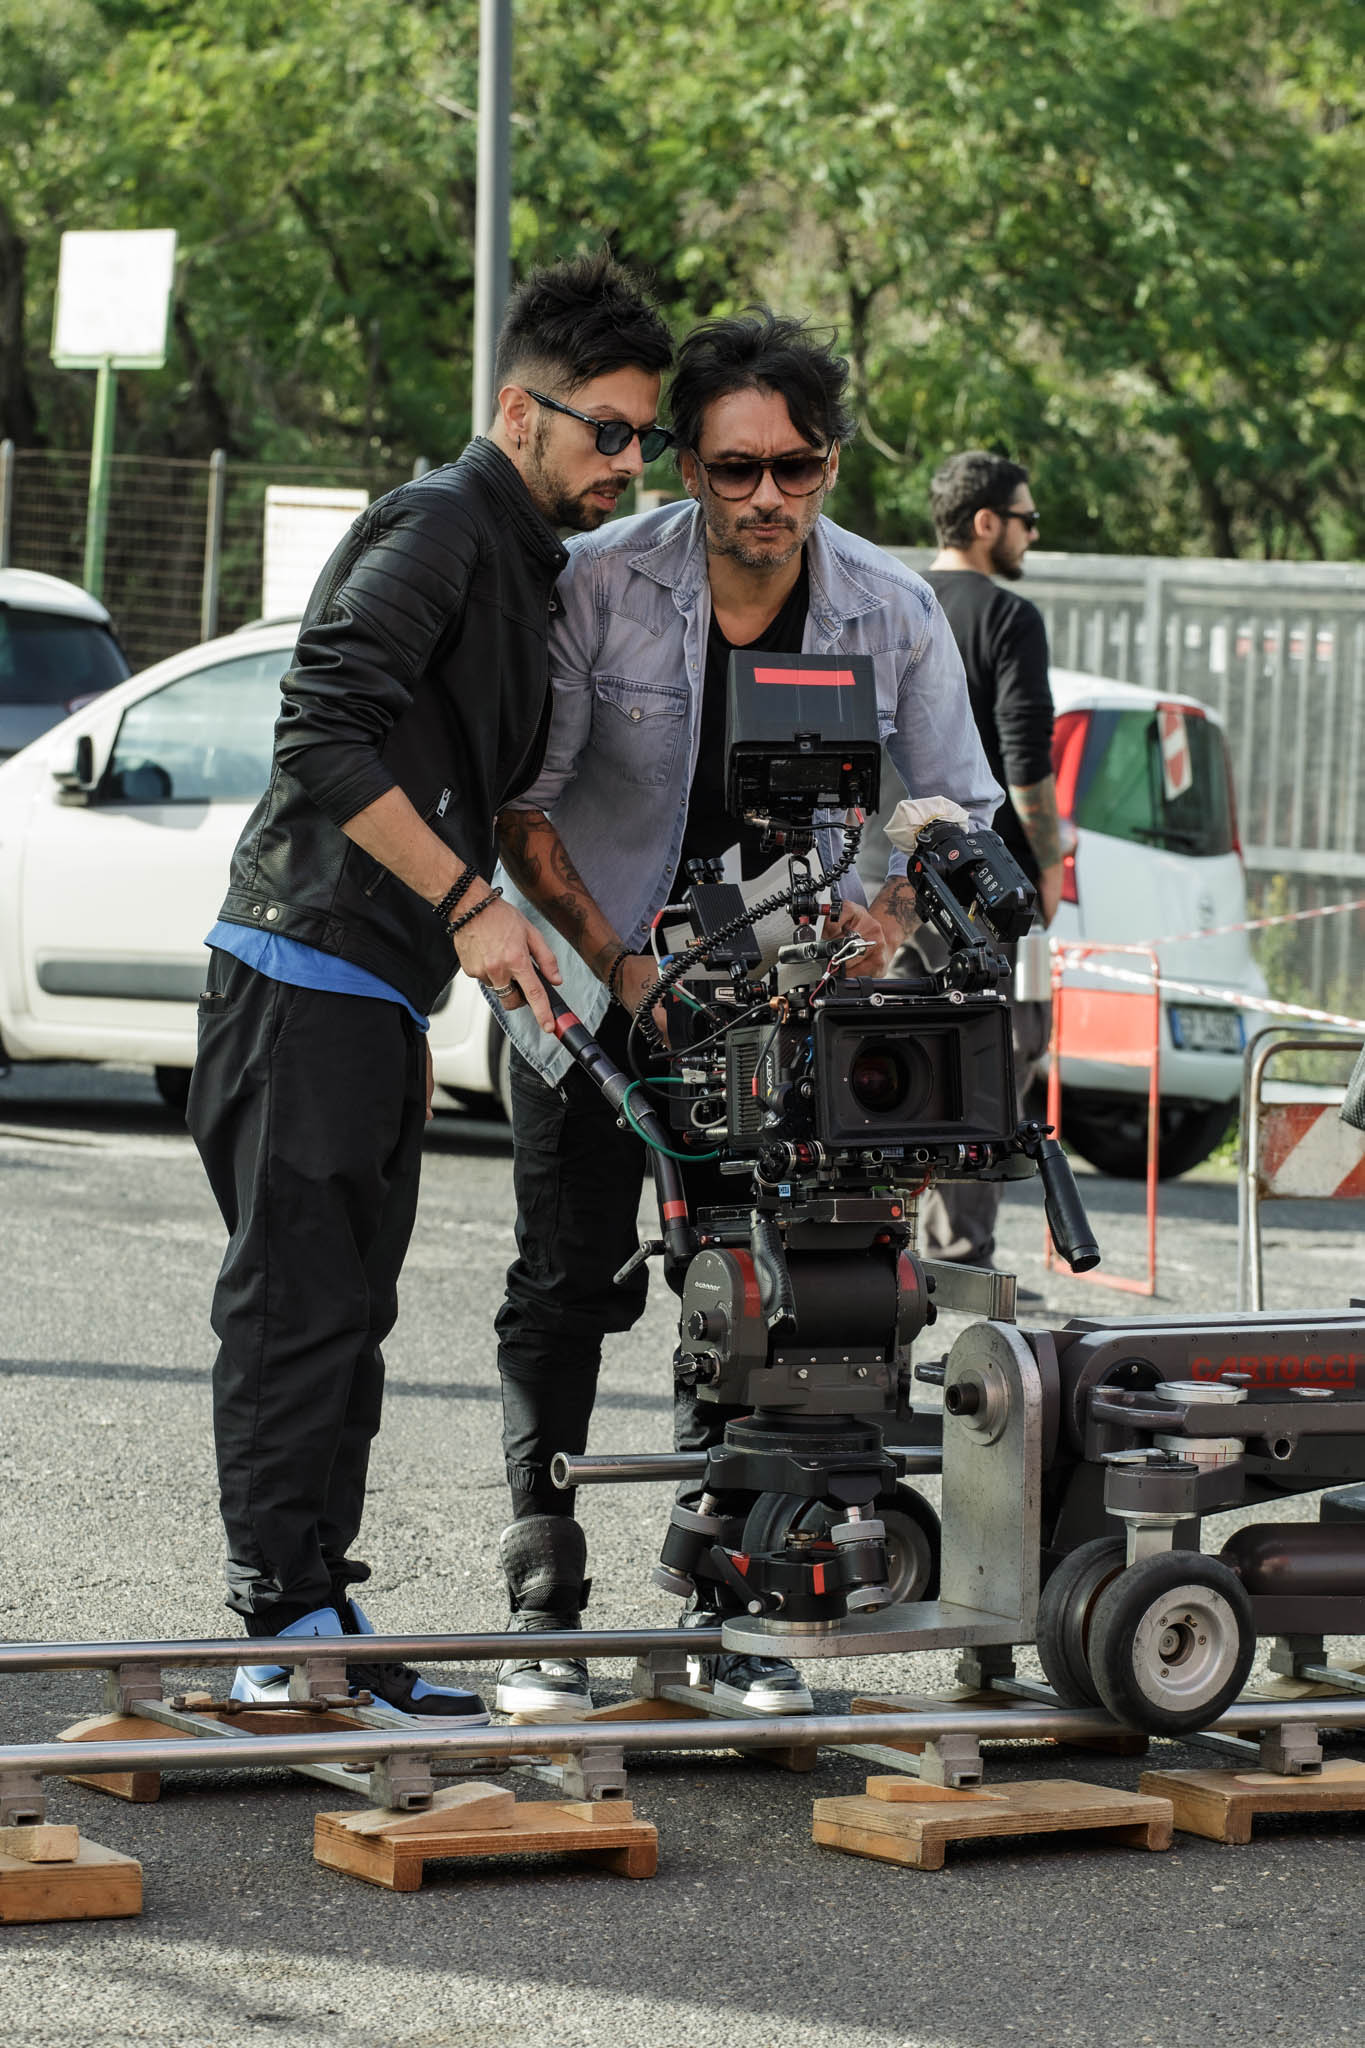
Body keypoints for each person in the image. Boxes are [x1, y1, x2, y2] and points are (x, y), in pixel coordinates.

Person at [486, 311, 1001, 1720]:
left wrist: (890, 910)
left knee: (766, 1300)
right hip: (591, 988)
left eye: (800, 468)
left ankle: (736, 1594)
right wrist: (626, 971)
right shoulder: (596, 583)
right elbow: (520, 805)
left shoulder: (888, 606)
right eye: (735, 470)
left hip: (788, 1015)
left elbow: (956, 797)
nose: (768, 498)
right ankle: (547, 1599)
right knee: (569, 1279)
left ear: (831, 464)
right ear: (687, 466)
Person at [186, 253, 674, 1725]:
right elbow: (320, 735)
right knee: (298, 1311)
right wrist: (468, 902)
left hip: (370, 990)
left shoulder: (519, 554)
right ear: (517, 411)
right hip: (303, 971)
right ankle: (286, 1630)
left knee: (346, 1313)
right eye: (607, 429)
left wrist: (511, 915)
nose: (627, 460)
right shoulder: (442, 521)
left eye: (642, 436)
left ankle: (319, 1614)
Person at [915, 449, 1062, 1278]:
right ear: (984, 523)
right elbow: (1025, 763)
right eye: (1025, 519)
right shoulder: (1008, 617)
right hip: (974, 887)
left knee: (867, 1061)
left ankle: (869, 1255)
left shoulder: (887, 599)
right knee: (981, 1068)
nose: (1030, 534)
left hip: (874, 879)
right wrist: (1045, 861)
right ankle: (961, 1265)